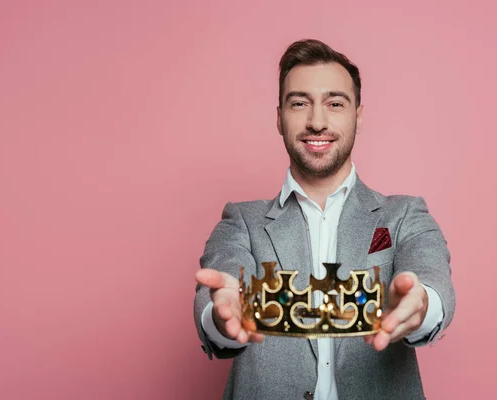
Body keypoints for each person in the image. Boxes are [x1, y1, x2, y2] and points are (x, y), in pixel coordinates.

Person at [194, 39, 455, 400]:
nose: (317, 122)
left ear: (358, 117)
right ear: (279, 118)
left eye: (335, 104)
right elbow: (217, 290)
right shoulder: (240, 221)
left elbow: (431, 278)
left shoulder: (405, 215)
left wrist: (422, 305)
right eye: (299, 103)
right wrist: (221, 316)